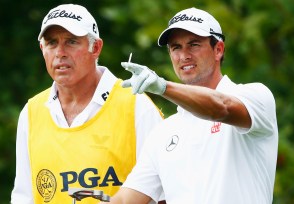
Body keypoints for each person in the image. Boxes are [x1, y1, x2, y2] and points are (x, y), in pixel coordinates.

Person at [99, 7, 279, 204]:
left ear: (218, 49)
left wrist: (162, 87)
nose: (184, 55)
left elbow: (220, 107)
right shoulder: (163, 133)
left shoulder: (255, 96)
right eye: (176, 47)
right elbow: (126, 200)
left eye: (193, 45)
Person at [10, 4, 164, 204]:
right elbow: (24, 198)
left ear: (96, 48)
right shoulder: (32, 112)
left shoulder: (136, 105)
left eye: (71, 42)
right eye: (52, 43)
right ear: (42, 49)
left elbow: (165, 195)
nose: (60, 52)